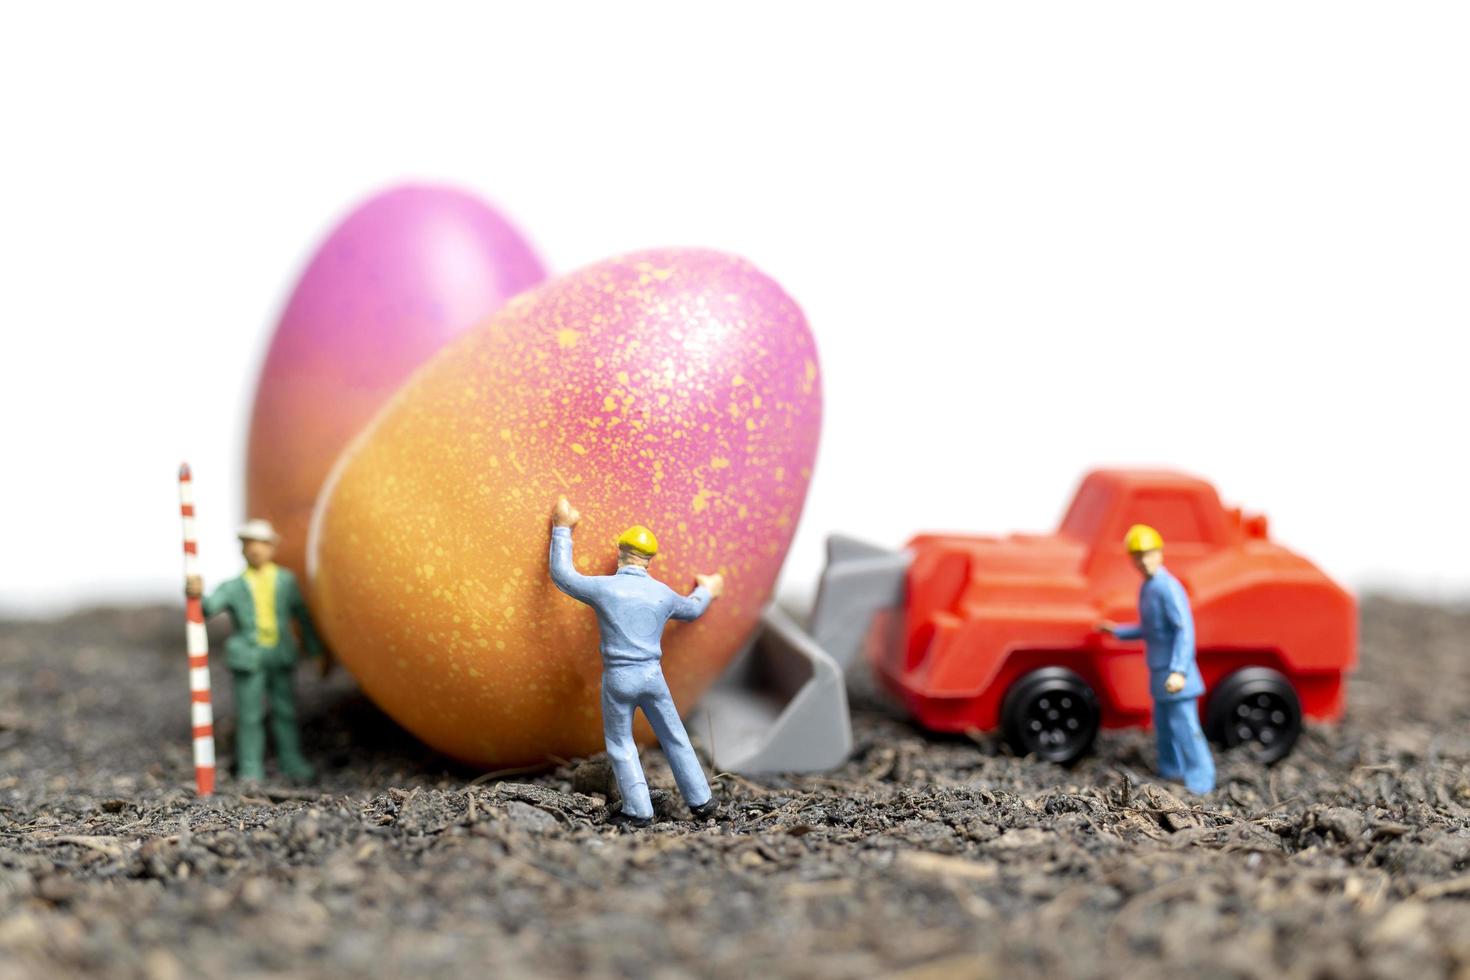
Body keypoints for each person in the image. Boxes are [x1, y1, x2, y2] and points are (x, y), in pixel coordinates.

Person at [547, 496, 724, 827]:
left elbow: (563, 576)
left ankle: (639, 809)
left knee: (620, 742)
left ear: (621, 553)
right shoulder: (663, 594)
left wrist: (562, 529)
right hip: (652, 677)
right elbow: (692, 609)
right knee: (674, 736)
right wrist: (708, 590)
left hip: (619, 678)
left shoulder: (606, 589)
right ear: (649, 560)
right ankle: (702, 799)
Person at [185, 519, 323, 784]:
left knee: (285, 711)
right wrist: (196, 593)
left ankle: (291, 761)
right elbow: (207, 608)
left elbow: (302, 617)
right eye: (250, 544)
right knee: (249, 716)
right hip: (249, 657)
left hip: (279, 654)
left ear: (272, 547)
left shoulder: (286, 581)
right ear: (242, 549)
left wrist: (315, 650)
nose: (256, 549)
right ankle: (250, 767)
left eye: (262, 543)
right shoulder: (232, 587)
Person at [1099, 524, 1216, 794]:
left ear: (1160, 553)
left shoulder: (1167, 587)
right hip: (1158, 671)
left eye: (1148, 553)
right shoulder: (1147, 588)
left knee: (1185, 726)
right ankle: (1170, 770)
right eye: (1138, 556)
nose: (1144, 561)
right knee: (1163, 727)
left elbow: (1183, 630)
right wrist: (1116, 631)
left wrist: (1179, 671)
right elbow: (1148, 629)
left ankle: (1201, 779)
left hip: (1176, 675)